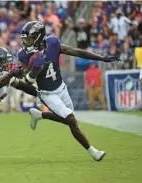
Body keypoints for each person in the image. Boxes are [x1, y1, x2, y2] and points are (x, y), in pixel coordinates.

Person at [18, 21, 121, 161]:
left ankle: (40, 115)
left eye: (29, 39)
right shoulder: (24, 55)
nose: (25, 43)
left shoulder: (53, 43)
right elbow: (28, 80)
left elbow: (76, 51)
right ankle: (93, 151)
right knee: (71, 119)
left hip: (61, 88)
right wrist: (35, 69)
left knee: (69, 120)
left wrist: (101, 58)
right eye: (25, 39)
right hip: (47, 94)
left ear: (38, 37)